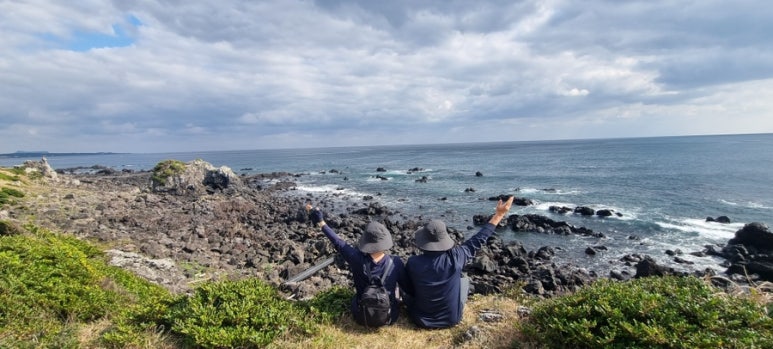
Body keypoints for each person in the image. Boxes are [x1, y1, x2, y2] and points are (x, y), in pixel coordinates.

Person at [403, 196, 514, 329]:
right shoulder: (456, 257)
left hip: (421, 319)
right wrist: (499, 214)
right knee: (464, 280)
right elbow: (479, 239)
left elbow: (409, 290)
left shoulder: (413, 262)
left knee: (407, 290)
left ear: (423, 241)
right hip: (452, 319)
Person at [307, 204, 407, 327]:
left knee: (356, 297)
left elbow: (338, 242)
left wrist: (321, 222)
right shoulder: (395, 262)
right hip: (389, 317)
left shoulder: (356, 258)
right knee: (397, 290)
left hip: (361, 316)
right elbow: (407, 287)